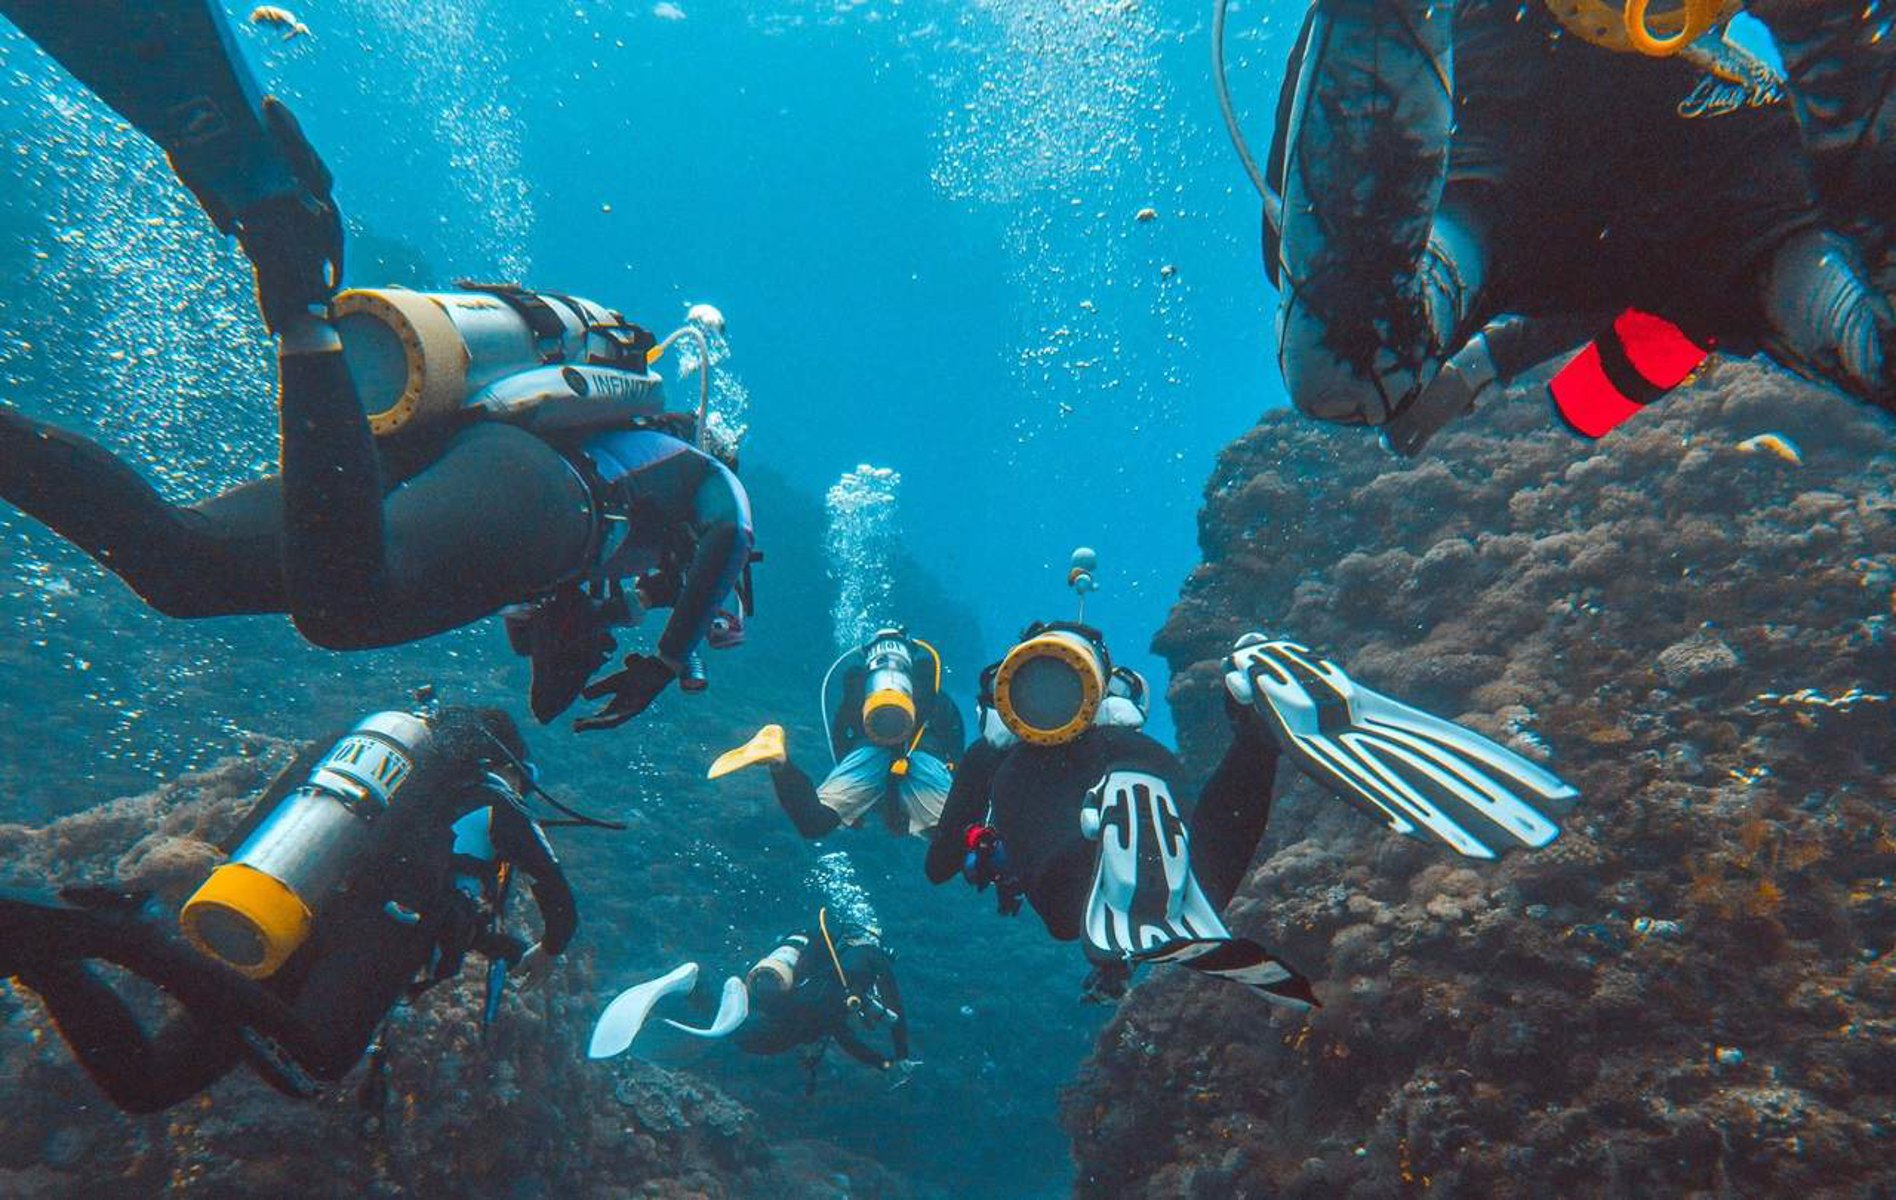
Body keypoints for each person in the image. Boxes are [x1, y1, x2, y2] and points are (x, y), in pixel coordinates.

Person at [0, 1, 754, 729]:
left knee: (182, 566)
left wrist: (582, 643)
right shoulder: (699, 472)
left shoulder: (620, 468)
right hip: (548, 487)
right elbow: (726, 535)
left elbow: (542, 665)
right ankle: (297, 289)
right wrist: (665, 658)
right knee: (344, 610)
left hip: (459, 455)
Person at [1245, 0, 1896, 453]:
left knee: (1347, 371)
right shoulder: (1471, 64)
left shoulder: (1741, 135)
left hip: (1697, 142)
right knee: (1344, 372)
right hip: (1508, 127)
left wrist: (1486, 364)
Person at [923, 625, 1578, 1006]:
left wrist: (972, 798)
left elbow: (938, 866)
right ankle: (1255, 731)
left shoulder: (997, 755)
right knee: (1198, 882)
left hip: (1044, 796)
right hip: (1129, 760)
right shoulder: (1131, 739)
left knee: (1071, 919)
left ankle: (1096, 857)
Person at [0, 704, 577, 1112]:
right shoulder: (498, 800)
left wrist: (496, 944)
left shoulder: (358, 763)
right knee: (317, 1064)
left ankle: (41, 951)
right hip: (356, 945)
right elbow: (560, 905)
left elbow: (255, 829)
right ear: (506, 763)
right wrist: (550, 949)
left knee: (149, 1085)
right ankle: (123, 935)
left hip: (280, 914)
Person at [587, 908, 910, 1078]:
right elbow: (892, 1016)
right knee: (751, 1040)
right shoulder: (871, 959)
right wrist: (900, 1056)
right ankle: (701, 990)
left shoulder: (827, 953)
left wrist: (880, 1062)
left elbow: (842, 1033)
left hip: (775, 988)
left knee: (742, 1018)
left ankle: (697, 984)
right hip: (801, 1009)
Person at [707, 627, 966, 839]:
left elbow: (841, 734)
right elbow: (954, 736)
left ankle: (777, 760)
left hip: (867, 753)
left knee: (814, 822)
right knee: (952, 837)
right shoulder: (932, 693)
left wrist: (850, 799)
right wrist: (953, 771)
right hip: (923, 757)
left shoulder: (861, 690)